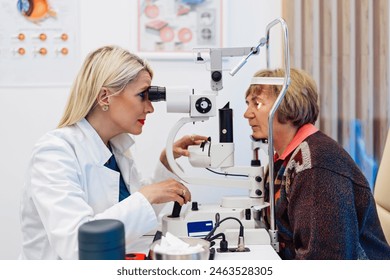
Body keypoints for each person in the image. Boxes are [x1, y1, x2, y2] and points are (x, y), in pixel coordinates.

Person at [19, 45, 206, 259]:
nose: (150, 108)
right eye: (142, 95)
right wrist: (146, 195)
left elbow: (138, 217)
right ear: (105, 97)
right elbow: (77, 244)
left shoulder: (115, 146)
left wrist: (166, 163)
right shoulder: (54, 153)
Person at [243, 67, 390, 259]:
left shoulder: (315, 167)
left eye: (257, 104)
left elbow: (325, 263)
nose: (247, 114)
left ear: (287, 105)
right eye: (248, 104)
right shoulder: (284, 161)